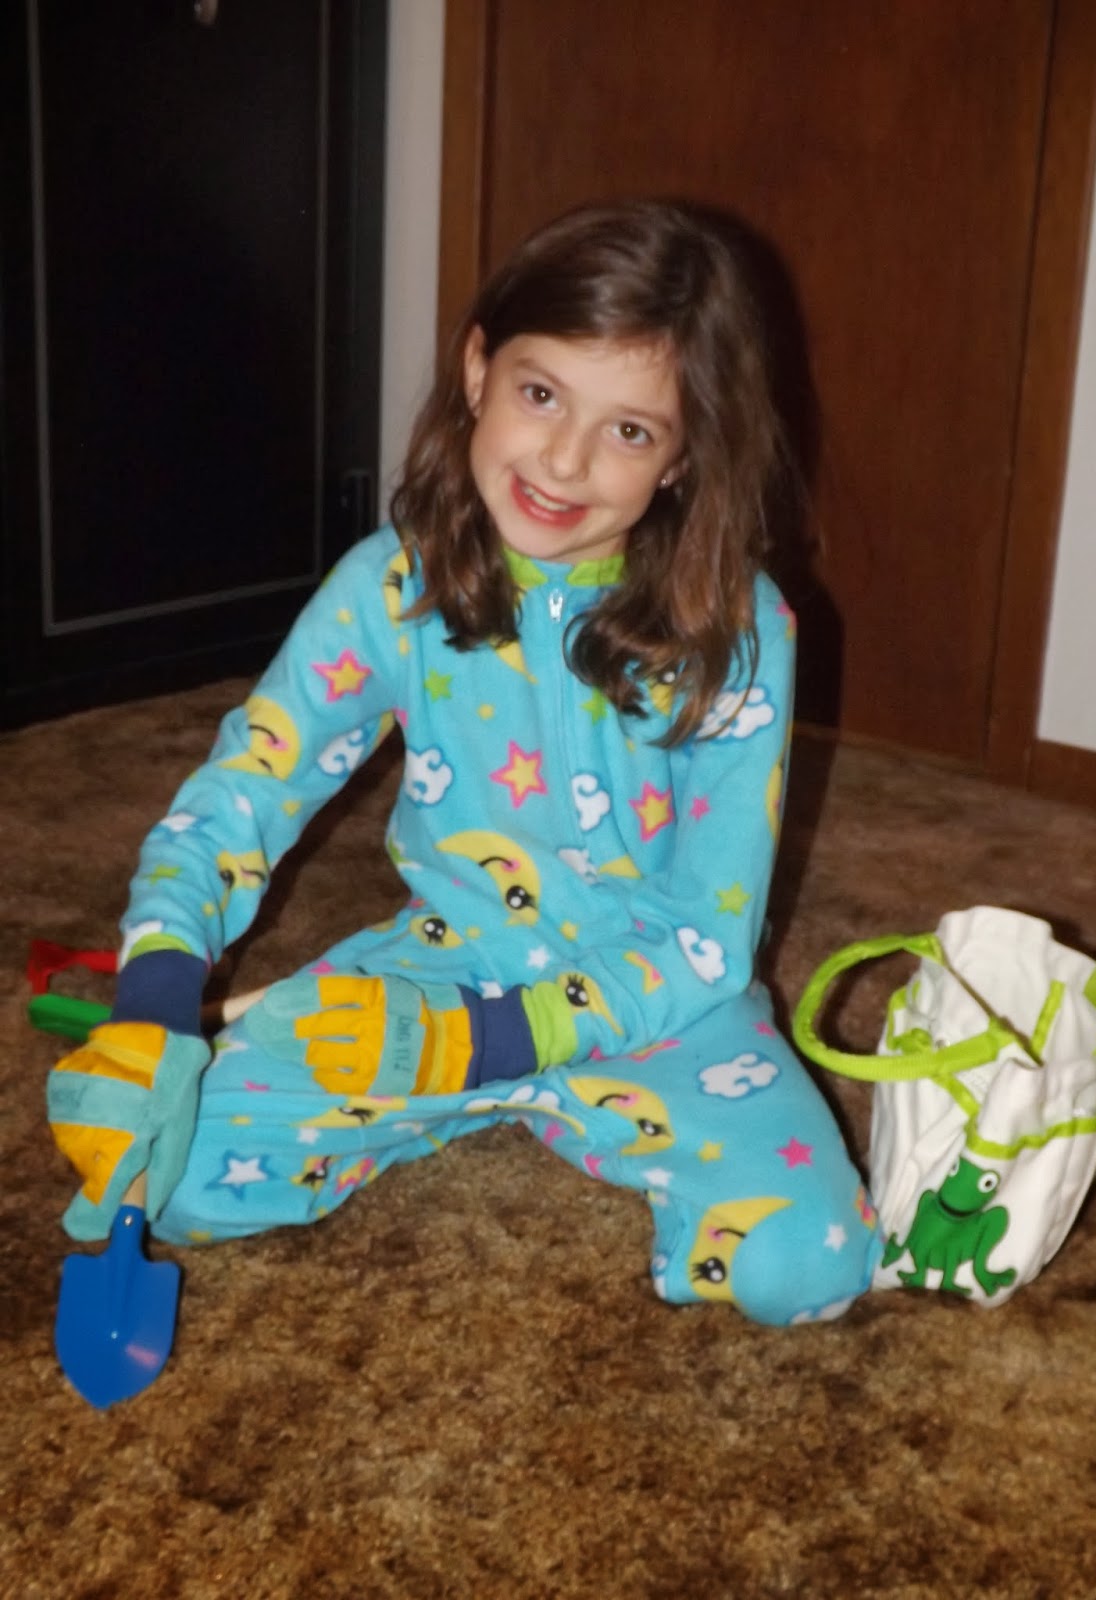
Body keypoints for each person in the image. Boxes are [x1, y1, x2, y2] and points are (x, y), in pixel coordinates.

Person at [47, 200, 882, 1325]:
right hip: (447, 967)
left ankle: (530, 1087)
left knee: (811, 1266)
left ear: (685, 459)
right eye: (542, 395)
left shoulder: (743, 628)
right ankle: (470, 1089)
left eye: (631, 432)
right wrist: (152, 1001)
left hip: (663, 1007)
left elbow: (705, 938)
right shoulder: (393, 586)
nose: (566, 461)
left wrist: (493, 1042)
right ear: (480, 369)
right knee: (163, 1177)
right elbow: (241, 796)